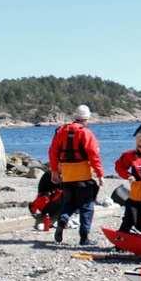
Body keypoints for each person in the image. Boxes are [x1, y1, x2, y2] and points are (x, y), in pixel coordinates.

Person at [48, 104, 103, 244]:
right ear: (87, 118)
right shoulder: (86, 133)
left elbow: (53, 152)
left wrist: (54, 171)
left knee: (69, 203)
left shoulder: (61, 131)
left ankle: (63, 219)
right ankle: (84, 237)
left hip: (67, 176)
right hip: (83, 176)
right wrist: (100, 174)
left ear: (75, 117)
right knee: (86, 206)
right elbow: (94, 155)